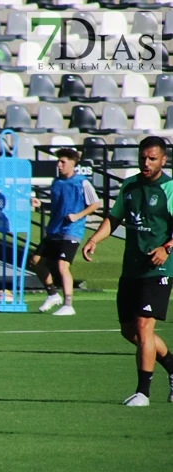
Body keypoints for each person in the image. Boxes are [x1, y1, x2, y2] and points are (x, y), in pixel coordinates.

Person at [83, 136, 173, 407]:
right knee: (129, 331)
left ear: (163, 160)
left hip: (159, 269)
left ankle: (142, 393)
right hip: (131, 268)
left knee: (145, 327)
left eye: (152, 158)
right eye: (143, 157)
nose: (146, 163)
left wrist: (167, 248)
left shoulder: (169, 188)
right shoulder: (129, 185)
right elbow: (114, 218)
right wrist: (94, 240)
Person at [31, 147, 100, 316]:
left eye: (63, 162)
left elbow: (95, 204)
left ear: (72, 163)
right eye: (58, 161)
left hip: (71, 230)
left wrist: (78, 216)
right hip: (55, 229)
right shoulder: (56, 182)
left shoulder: (82, 182)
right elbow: (56, 207)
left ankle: (68, 304)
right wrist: (42, 205)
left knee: (62, 266)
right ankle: (53, 295)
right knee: (36, 261)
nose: (59, 165)